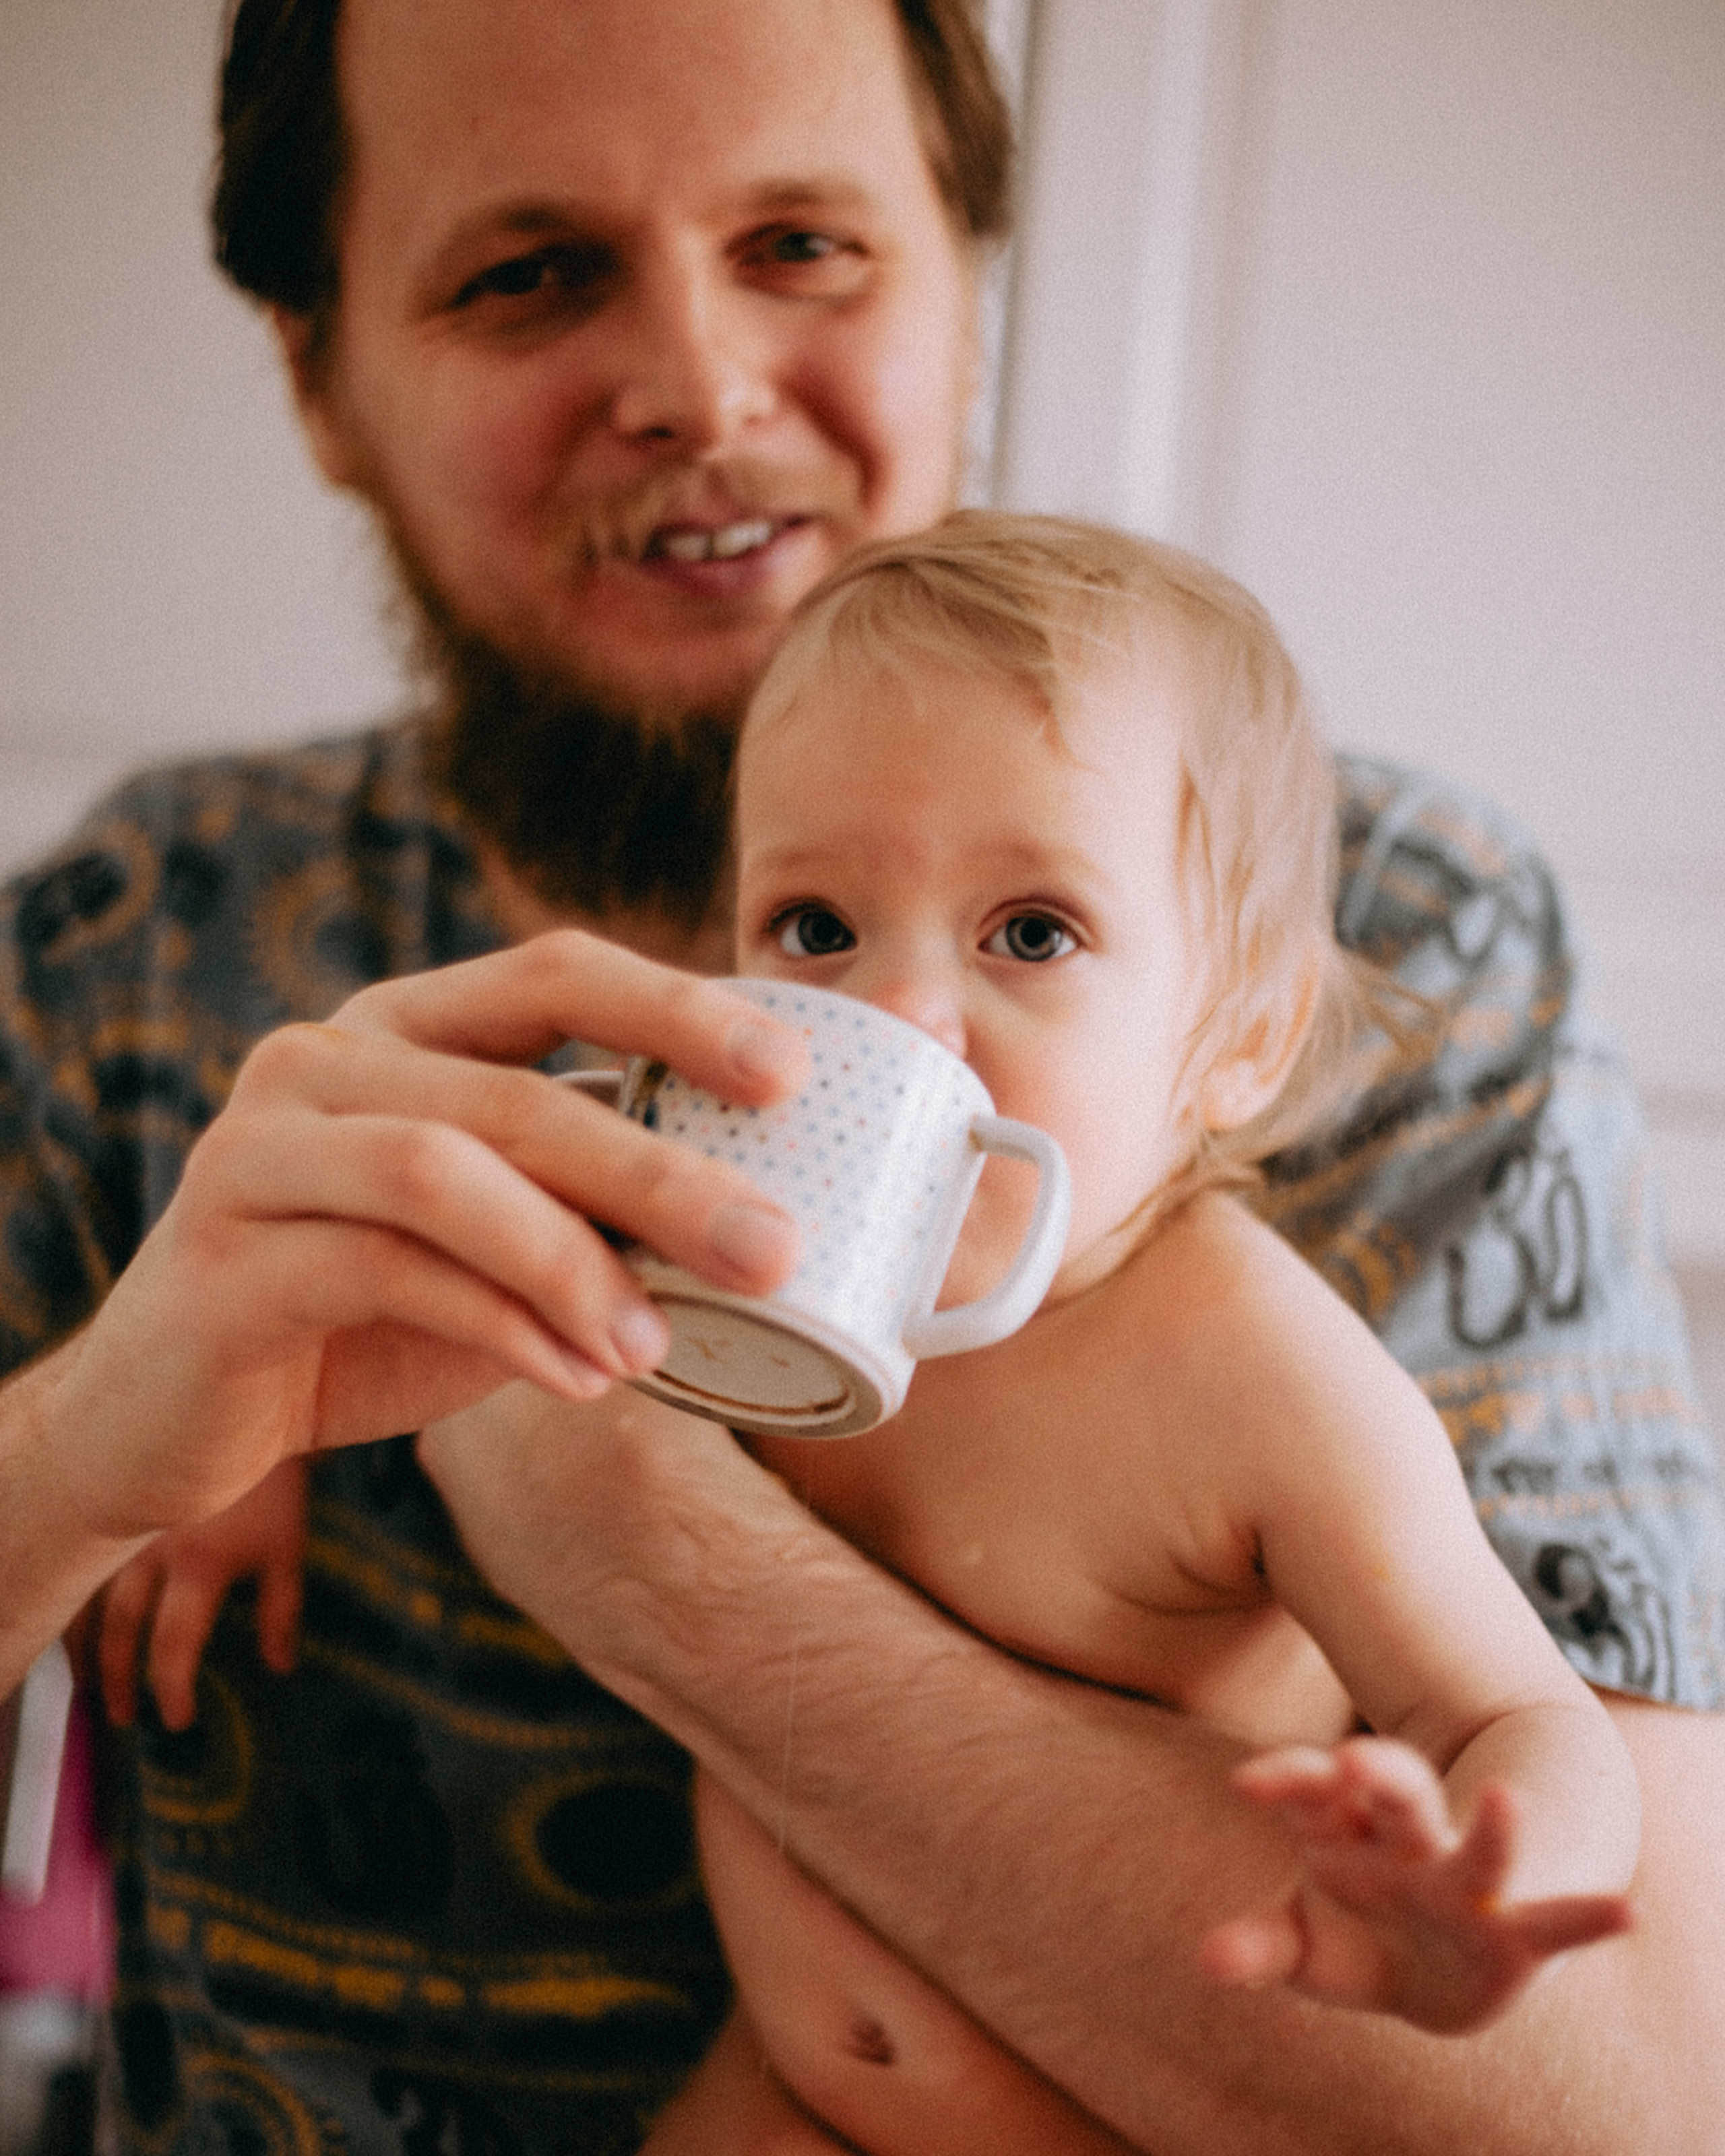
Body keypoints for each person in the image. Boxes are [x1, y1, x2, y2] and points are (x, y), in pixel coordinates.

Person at [1, 1, 1721, 2152]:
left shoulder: (1391, 964)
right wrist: (106, 1442)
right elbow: (369, 1337)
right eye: (530, 270)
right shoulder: (139, 944)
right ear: (319, 374)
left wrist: (647, 1563)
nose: (703, 392)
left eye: (803, 243)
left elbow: (1617, 2079)